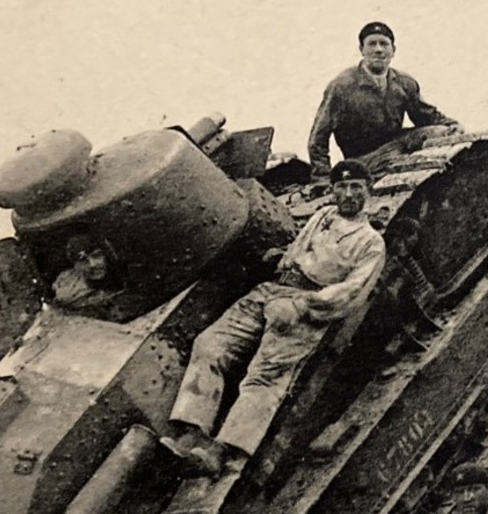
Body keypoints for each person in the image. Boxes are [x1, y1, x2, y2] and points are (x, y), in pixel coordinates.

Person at [160, 159, 386, 476]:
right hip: (273, 289)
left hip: (305, 308)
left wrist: (303, 305)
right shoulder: (322, 216)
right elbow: (302, 248)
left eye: (356, 187)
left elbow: (351, 291)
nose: (348, 194)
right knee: (210, 344)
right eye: (342, 187)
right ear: (333, 191)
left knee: (264, 377)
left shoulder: (371, 242)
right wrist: (284, 257)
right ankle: (192, 432)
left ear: (368, 190)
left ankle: (222, 451)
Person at [307, 21, 455, 179]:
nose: (378, 50)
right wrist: (323, 177)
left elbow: (426, 116)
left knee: (439, 132)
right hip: (363, 160)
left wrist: (452, 126)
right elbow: (318, 139)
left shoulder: (404, 82)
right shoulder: (342, 86)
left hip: (396, 145)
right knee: (396, 157)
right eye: (372, 44)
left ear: (393, 50)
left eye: (384, 44)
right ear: (361, 50)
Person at [50, 234, 125, 313]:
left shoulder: (123, 274)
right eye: (84, 261)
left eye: (96, 256)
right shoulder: (71, 290)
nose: (93, 264)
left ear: (105, 255)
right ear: (75, 266)